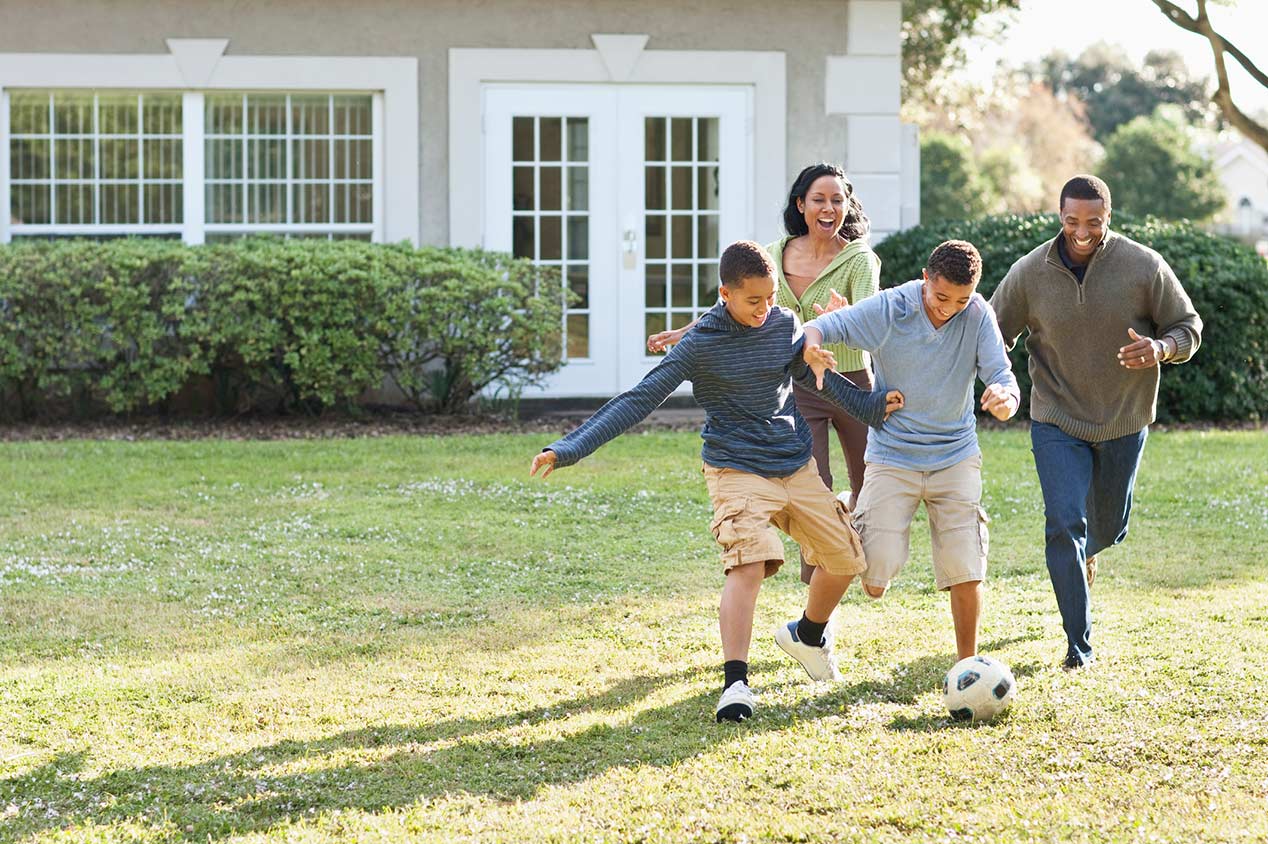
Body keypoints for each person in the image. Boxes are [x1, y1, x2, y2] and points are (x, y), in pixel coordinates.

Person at [531, 241, 904, 723]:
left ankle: (808, 635)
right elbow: (640, 398)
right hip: (736, 468)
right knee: (749, 563)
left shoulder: (782, 325)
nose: (766, 309)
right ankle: (736, 685)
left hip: (794, 463)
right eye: (754, 300)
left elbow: (816, 380)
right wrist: (569, 448)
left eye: (771, 298)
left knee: (846, 560)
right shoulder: (700, 344)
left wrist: (872, 407)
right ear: (724, 294)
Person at [990, 174, 1202, 670]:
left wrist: (1161, 348)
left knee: (1107, 525)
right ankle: (1077, 645)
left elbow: (1188, 326)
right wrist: (996, 376)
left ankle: (1091, 550)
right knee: (1065, 524)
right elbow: (992, 330)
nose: (1081, 232)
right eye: (1071, 221)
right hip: (1056, 416)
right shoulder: (1029, 272)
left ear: (1108, 217)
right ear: (1060, 217)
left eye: (1093, 222)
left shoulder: (1143, 265)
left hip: (1124, 419)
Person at [649, 163, 880, 585]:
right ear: (801, 204)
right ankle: (818, 583)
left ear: (847, 206)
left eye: (837, 200)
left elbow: (871, 317)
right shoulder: (774, 253)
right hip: (803, 383)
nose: (828, 209)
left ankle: (867, 564)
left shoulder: (859, 259)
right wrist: (688, 331)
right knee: (817, 481)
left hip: (848, 379)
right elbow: (740, 304)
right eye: (818, 200)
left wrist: (841, 320)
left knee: (870, 480)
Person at [803, 240, 1019, 661]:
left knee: (965, 564)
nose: (949, 308)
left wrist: (1005, 400)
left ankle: (967, 665)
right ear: (925, 278)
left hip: (955, 455)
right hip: (893, 456)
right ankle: (856, 509)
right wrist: (812, 347)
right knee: (875, 580)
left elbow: (1003, 376)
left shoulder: (977, 315)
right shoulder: (891, 308)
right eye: (941, 297)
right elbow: (821, 329)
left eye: (961, 299)